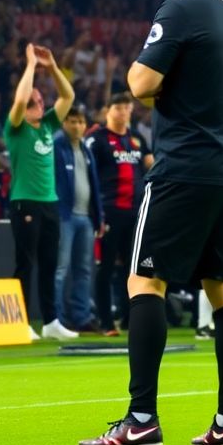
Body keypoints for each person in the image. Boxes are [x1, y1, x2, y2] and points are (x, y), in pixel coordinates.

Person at [80, 0, 223, 445]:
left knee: (145, 283)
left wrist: (176, 94)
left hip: (184, 169)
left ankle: (141, 420)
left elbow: (140, 84)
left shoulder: (179, 10)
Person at [3, 42, 76, 340]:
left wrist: (54, 67)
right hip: (25, 203)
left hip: (49, 203)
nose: (40, 104)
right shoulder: (16, 127)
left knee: (49, 263)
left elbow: (68, 95)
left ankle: (50, 322)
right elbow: (19, 102)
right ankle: (20, 321)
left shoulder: (47, 125)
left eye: (41, 100)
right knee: (26, 263)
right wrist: (31, 66)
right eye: (35, 101)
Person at [86, 91, 152, 334]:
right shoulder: (97, 139)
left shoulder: (136, 139)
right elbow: (89, 173)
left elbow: (150, 163)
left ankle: (129, 318)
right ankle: (105, 322)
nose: (123, 113)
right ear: (108, 111)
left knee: (132, 269)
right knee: (105, 268)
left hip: (135, 213)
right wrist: (96, 213)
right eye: (118, 108)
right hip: (109, 211)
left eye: (127, 108)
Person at [53, 104, 104, 332]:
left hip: (85, 217)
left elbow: (95, 186)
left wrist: (99, 216)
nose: (77, 126)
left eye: (81, 122)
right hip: (65, 216)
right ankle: (57, 318)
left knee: (83, 269)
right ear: (64, 123)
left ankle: (81, 316)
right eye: (72, 121)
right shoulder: (56, 146)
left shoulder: (85, 149)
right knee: (61, 269)